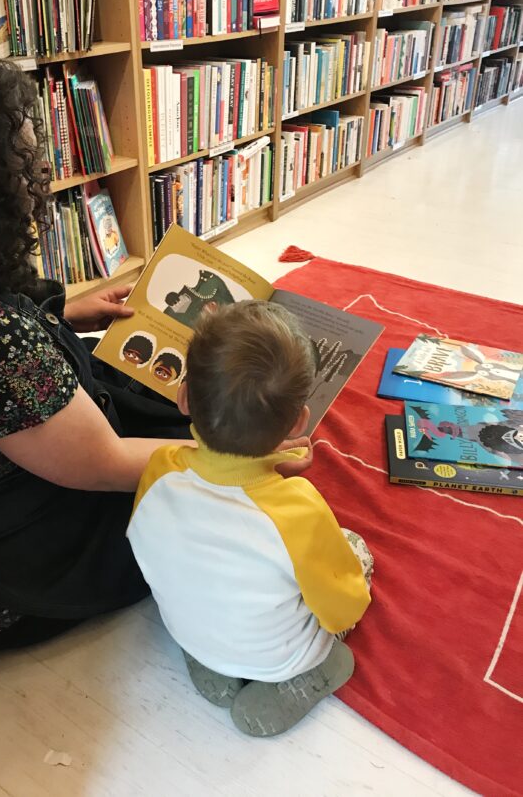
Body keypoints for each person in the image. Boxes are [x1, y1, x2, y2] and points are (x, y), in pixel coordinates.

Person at [0, 57, 311, 651]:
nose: (38, 181)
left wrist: (63, 310)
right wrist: (246, 456)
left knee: (163, 392)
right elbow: (105, 462)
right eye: (21, 166)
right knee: (213, 479)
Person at [127, 300, 373, 737]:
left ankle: (213, 661)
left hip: (189, 629)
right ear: (299, 420)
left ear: (183, 398)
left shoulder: (161, 468)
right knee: (352, 551)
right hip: (281, 656)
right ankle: (312, 673)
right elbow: (343, 606)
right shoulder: (298, 508)